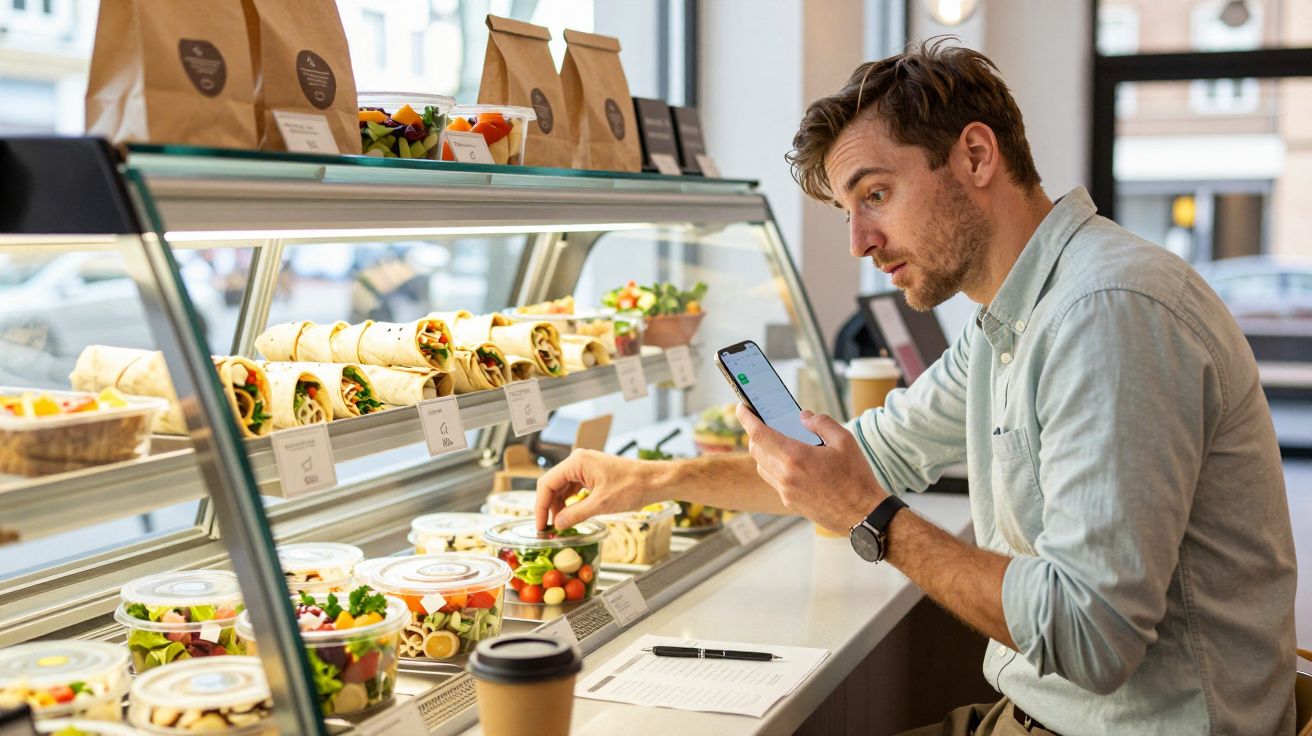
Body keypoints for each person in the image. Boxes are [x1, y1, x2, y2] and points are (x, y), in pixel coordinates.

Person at [534, 39, 1298, 735]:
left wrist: (872, 517)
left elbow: (1090, 636)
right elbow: (868, 455)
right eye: (847, 211)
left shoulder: (1106, 313)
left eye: (875, 195)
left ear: (973, 155)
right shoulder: (1011, 315)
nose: (861, 242)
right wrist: (649, 480)